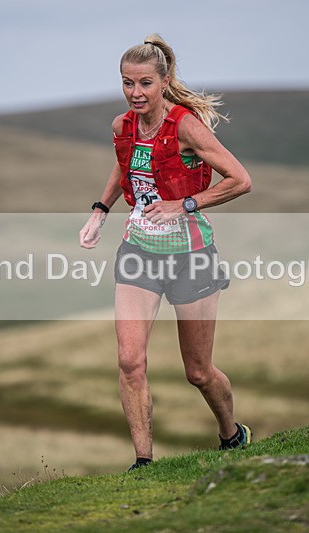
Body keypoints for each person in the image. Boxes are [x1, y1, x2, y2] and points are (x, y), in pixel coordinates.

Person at [79, 34, 252, 471]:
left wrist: (185, 203)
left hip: (192, 255)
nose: (135, 93)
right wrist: (100, 211)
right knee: (129, 361)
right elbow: (125, 167)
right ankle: (143, 462)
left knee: (198, 372)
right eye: (126, 83)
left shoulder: (187, 127)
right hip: (139, 253)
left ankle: (232, 433)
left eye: (144, 84)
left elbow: (240, 180)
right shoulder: (123, 127)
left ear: (164, 81)